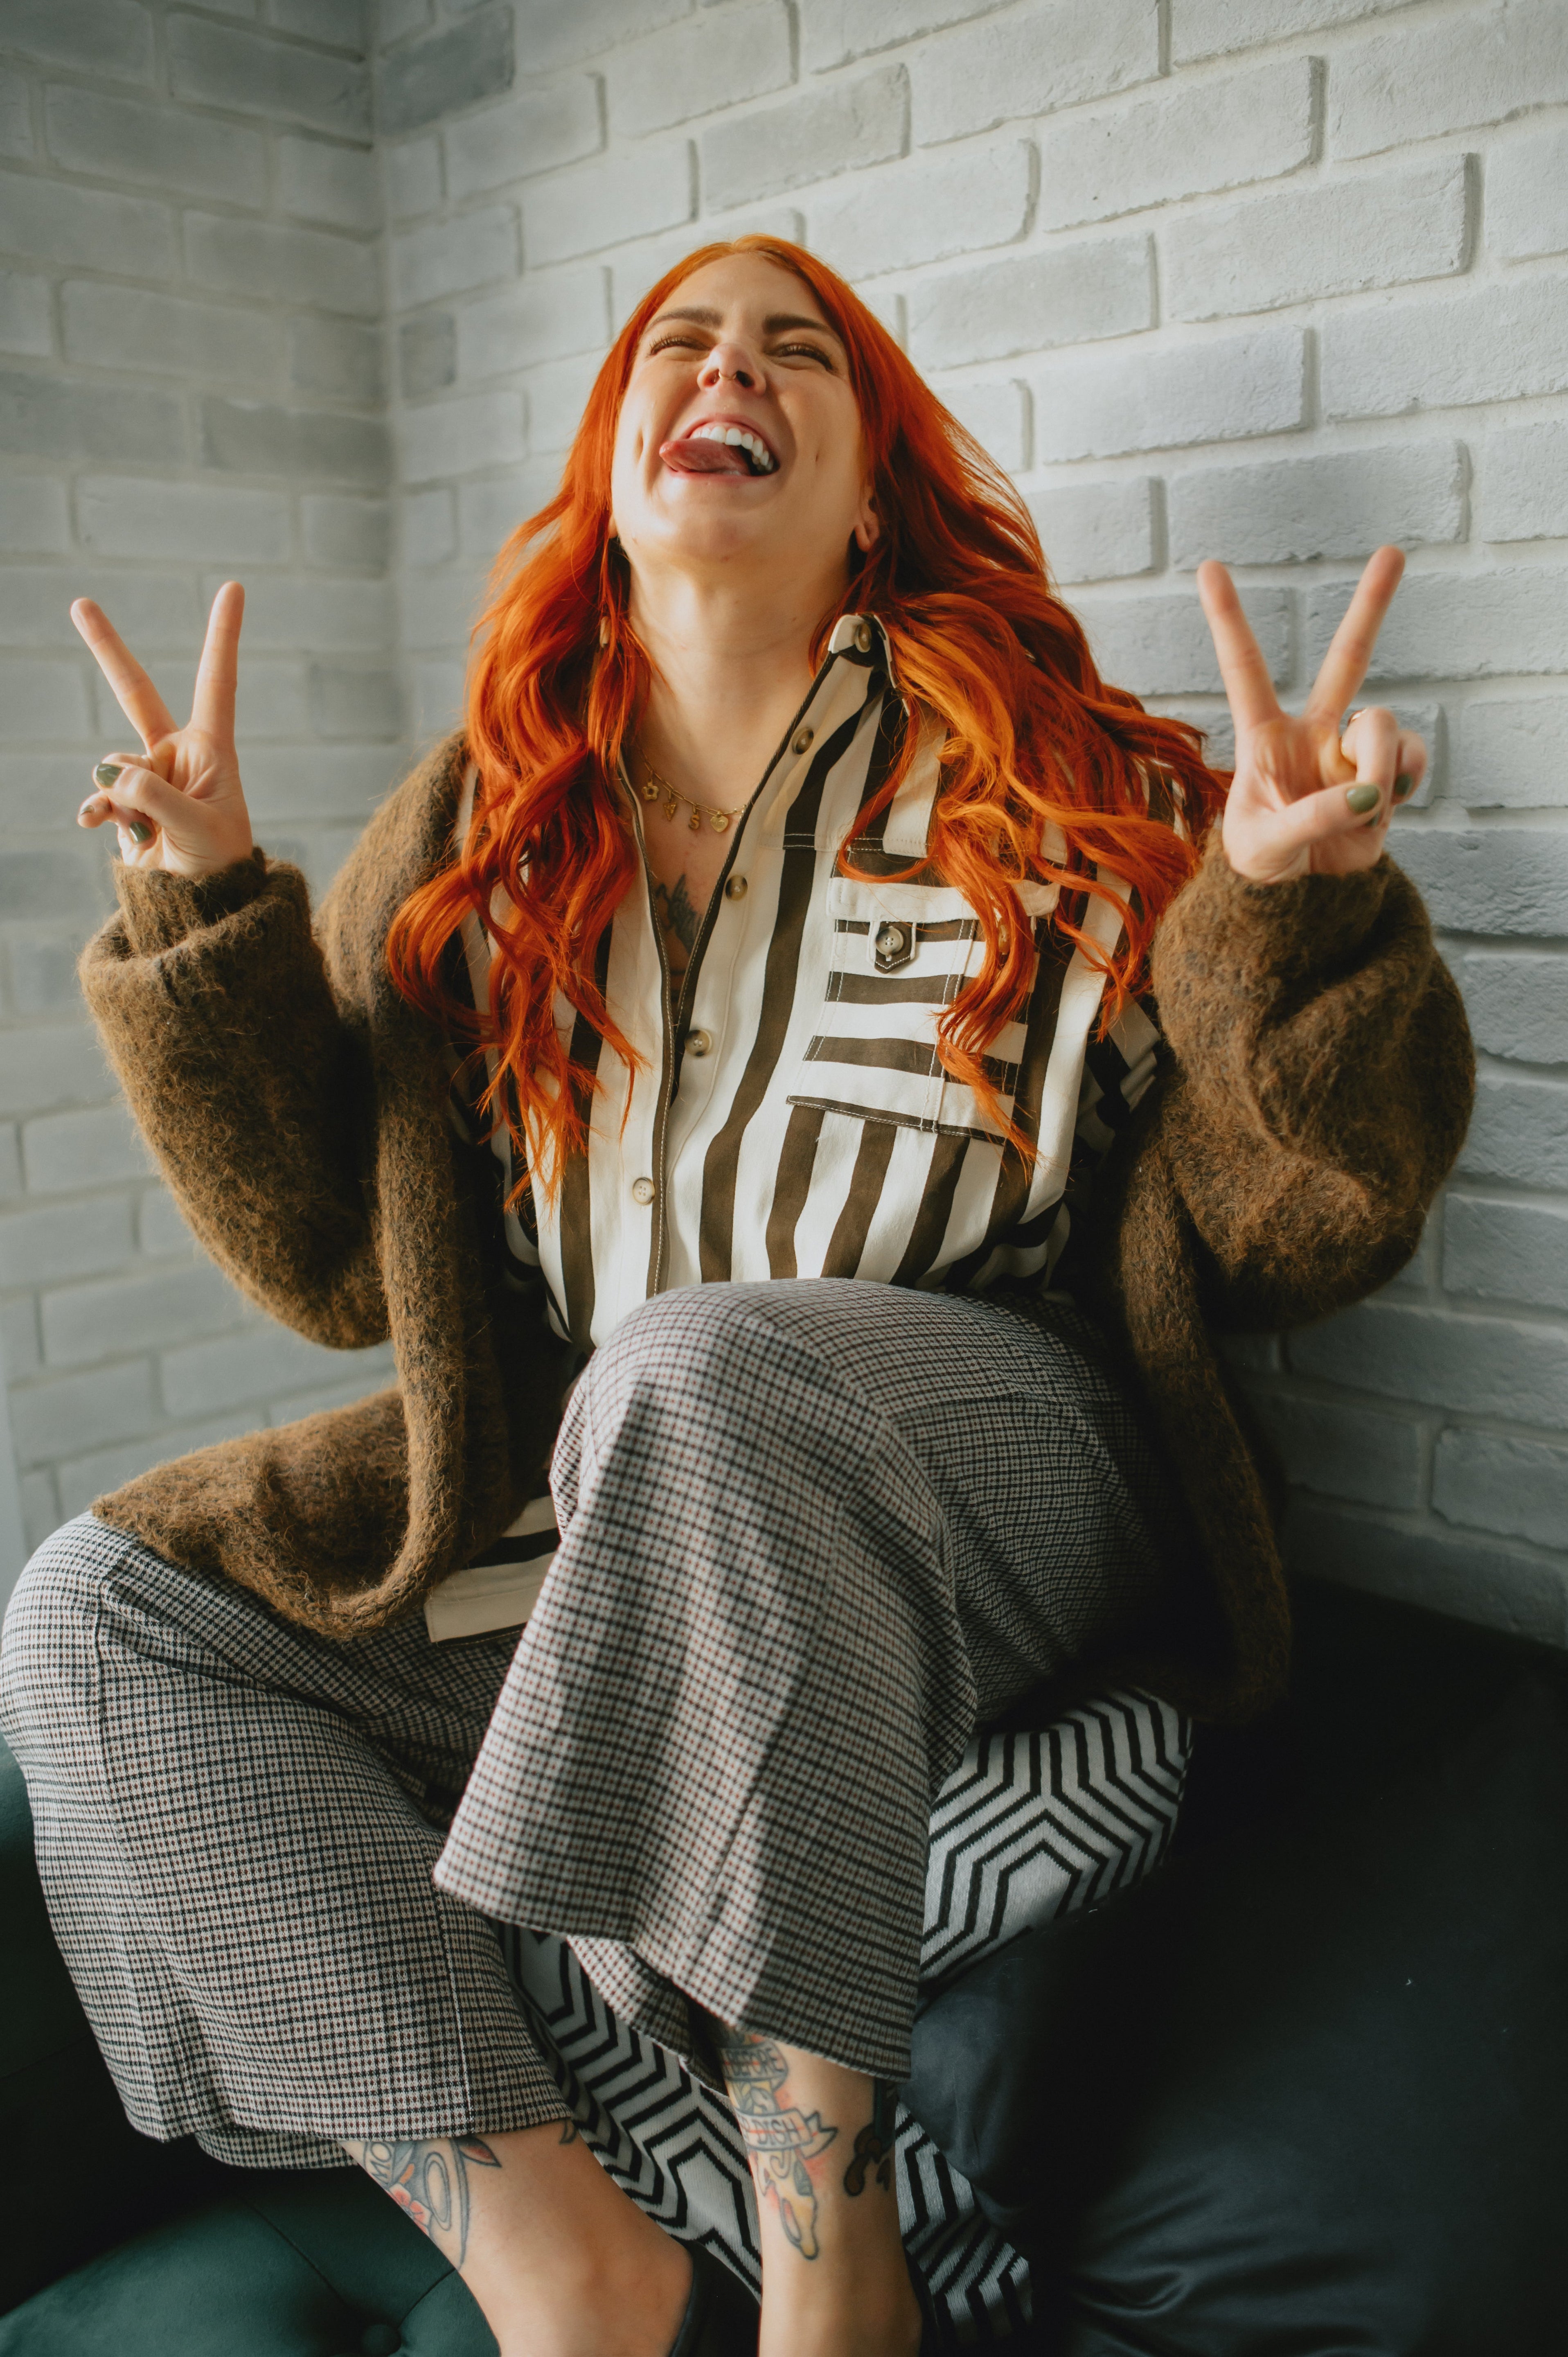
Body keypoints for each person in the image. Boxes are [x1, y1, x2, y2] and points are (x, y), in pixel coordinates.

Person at [0, 238, 1472, 2357]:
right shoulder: (480, 838)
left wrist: (1289, 918)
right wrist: (205, 905)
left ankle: (822, 2240)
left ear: (870, 494)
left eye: (797, 354)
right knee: (101, 1614)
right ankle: (560, 2264)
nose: (729, 371)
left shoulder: (1067, 788)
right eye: (679, 348)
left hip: (1000, 1478)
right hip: (618, 1487)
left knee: (704, 1371)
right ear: (613, 474)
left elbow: (1293, 1237)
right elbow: (331, 1268)